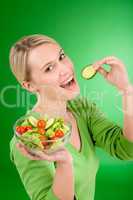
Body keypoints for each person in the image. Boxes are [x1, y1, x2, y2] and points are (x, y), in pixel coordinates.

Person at [9, 34, 133, 200]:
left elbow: (126, 149)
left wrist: (126, 90)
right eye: (49, 68)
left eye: (61, 57)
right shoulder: (27, 139)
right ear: (29, 86)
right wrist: (64, 163)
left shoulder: (82, 109)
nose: (65, 69)